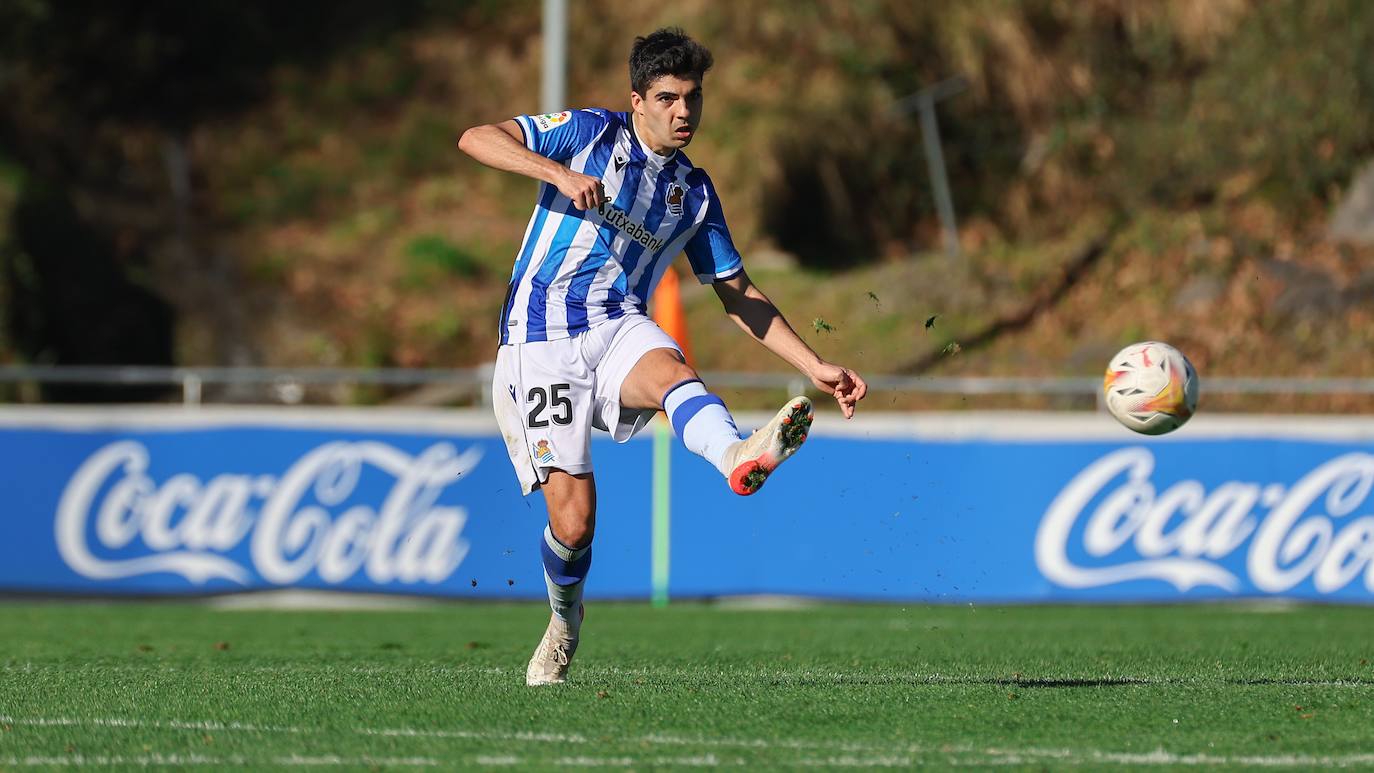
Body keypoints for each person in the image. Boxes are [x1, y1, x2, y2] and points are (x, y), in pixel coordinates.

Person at [457, 27, 867, 686]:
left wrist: (813, 362)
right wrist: (556, 173)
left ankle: (736, 454)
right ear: (637, 100)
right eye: (669, 98)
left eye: (693, 99)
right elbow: (477, 136)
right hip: (539, 339)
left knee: (675, 371)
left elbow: (736, 290)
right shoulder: (588, 133)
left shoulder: (695, 193)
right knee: (575, 519)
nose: (684, 112)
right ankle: (564, 621)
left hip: (618, 324)